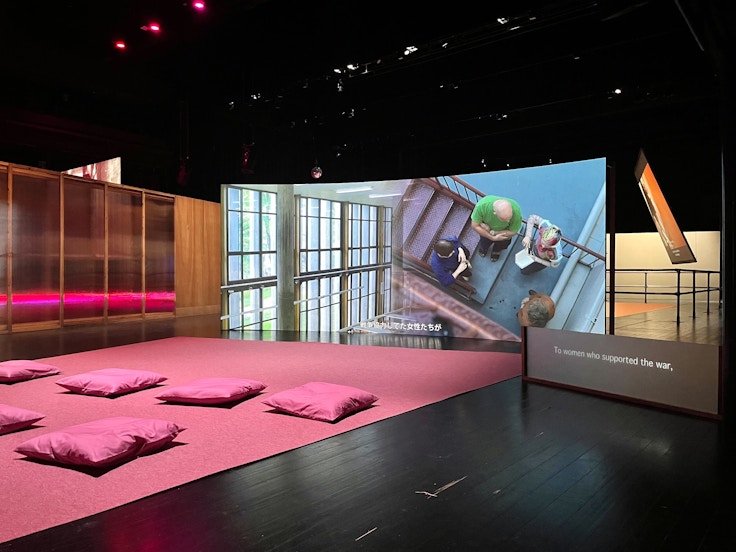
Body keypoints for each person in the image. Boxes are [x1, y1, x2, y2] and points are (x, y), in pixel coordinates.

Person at [470, 195, 523, 261]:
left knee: (500, 245)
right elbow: (474, 226)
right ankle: (484, 249)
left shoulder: (516, 210)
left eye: (510, 218)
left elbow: (513, 231)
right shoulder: (482, 206)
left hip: (503, 236)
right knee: (484, 243)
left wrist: (492, 232)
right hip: (486, 233)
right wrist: (492, 237)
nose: (508, 221)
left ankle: (496, 250)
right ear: (495, 213)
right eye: (504, 219)